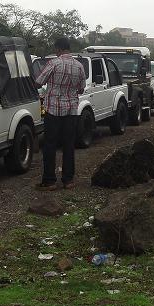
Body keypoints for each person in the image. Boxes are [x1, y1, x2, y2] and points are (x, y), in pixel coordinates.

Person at [35, 37, 86, 191]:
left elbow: (39, 82)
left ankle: (49, 181)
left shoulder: (53, 63)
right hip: (71, 110)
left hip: (53, 111)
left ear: (58, 48)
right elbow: (81, 89)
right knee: (69, 145)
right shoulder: (79, 66)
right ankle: (68, 180)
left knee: (50, 145)